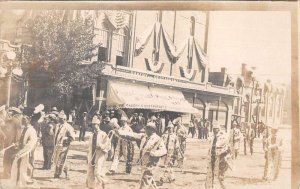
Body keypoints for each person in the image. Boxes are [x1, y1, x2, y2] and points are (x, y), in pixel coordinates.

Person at [115, 122, 167, 189]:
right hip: (143, 162)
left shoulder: (158, 139)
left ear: (152, 130)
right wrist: (120, 133)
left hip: (152, 163)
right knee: (150, 182)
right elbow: (132, 135)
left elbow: (164, 150)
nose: (145, 130)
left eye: (147, 129)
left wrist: (154, 153)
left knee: (145, 180)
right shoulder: (144, 136)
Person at [10, 116, 37, 188]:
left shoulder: (32, 130)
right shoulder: (24, 129)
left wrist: (21, 152)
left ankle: (27, 186)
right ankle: (19, 185)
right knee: (19, 169)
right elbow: (21, 140)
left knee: (26, 169)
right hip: (21, 153)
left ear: (29, 120)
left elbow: (30, 144)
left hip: (27, 153)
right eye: (22, 119)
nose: (23, 121)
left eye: (25, 119)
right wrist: (17, 144)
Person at [205, 121, 232, 189]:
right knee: (209, 176)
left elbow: (228, 149)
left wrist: (225, 157)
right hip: (212, 159)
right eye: (213, 128)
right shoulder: (212, 137)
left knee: (220, 177)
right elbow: (210, 148)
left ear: (219, 129)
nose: (214, 130)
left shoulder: (223, 137)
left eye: (216, 128)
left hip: (221, 160)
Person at [86, 116, 111, 189]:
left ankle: (103, 183)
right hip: (92, 155)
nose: (93, 126)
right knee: (90, 172)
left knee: (97, 172)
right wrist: (87, 156)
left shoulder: (103, 134)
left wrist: (101, 147)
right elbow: (89, 147)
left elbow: (108, 145)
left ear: (98, 125)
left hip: (100, 155)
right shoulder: (92, 135)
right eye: (92, 125)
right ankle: (91, 187)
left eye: (95, 125)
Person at [52, 111, 76, 179]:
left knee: (60, 160)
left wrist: (66, 139)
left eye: (61, 119)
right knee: (57, 160)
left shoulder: (68, 127)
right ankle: (66, 171)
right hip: (57, 145)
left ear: (64, 119)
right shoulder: (58, 125)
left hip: (64, 146)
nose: (59, 120)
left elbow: (72, 137)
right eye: (59, 118)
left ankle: (57, 174)